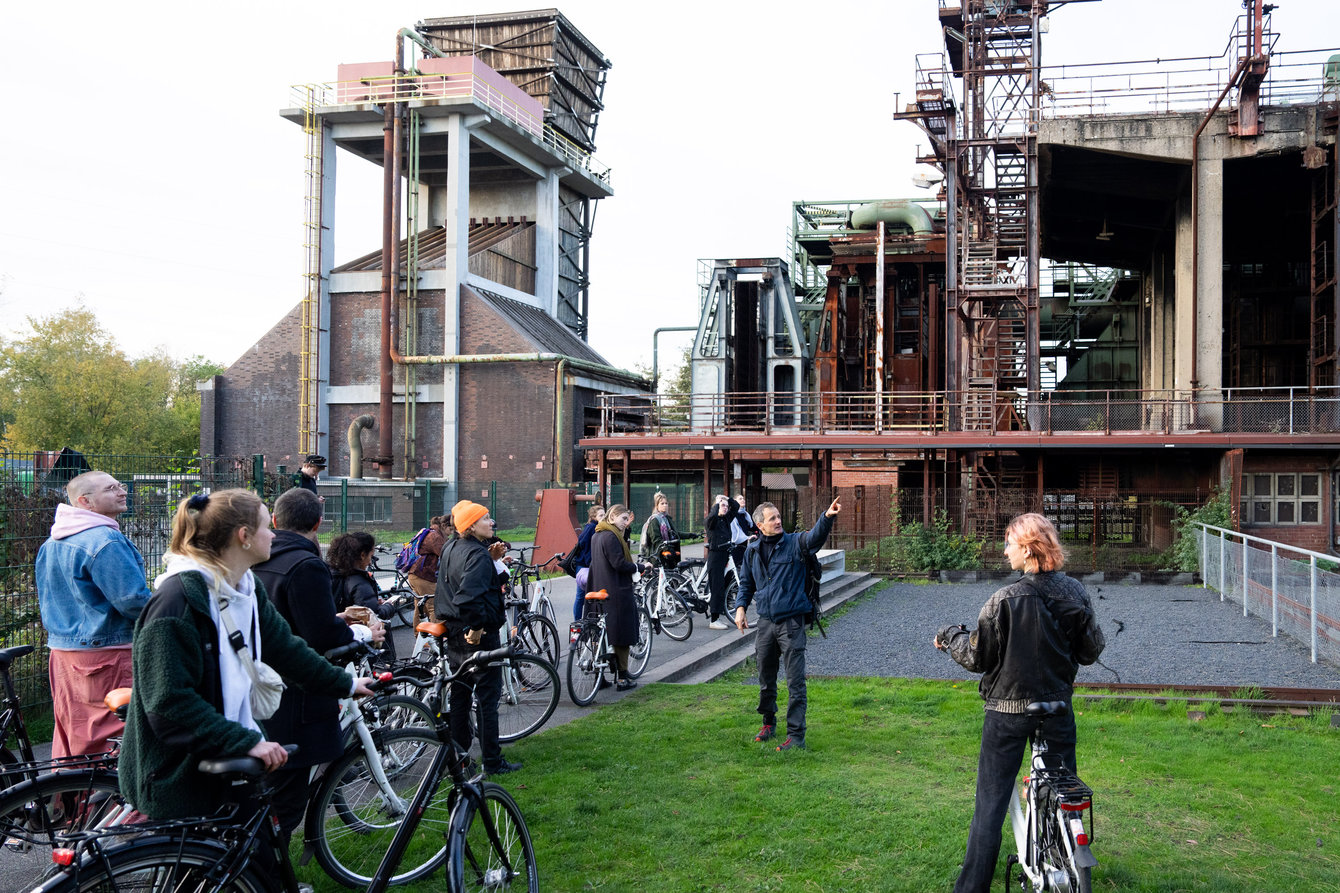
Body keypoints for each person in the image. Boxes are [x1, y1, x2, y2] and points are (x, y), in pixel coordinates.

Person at [118, 489, 376, 820]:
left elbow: (283, 647)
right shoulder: (176, 603)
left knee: (251, 854)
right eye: (267, 526)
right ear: (244, 536)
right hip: (183, 775)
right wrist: (244, 741)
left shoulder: (244, 586)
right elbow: (170, 703)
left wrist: (344, 683)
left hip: (222, 762)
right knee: (210, 864)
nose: (273, 533)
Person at [933, 512, 1106, 893]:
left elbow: (978, 657)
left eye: (1009, 543)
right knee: (1064, 792)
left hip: (1007, 713)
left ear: (1027, 550)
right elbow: (1092, 650)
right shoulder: (1075, 592)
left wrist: (949, 636)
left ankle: (972, 886)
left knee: (991, 802)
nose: (1005, 550)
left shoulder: (1004, 600)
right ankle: (1064, 863)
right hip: (1058, 707)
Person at [251, 489, 381, 845]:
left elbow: (282, 621)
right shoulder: (305, 565)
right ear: (318, 523)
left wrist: (332, 619)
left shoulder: (255, 562)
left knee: (263, 796)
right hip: (294, 697)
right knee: (285, 800)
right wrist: (361, 632)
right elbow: (318, 638)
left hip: (258, 692)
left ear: (276, 520)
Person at [35, 470, 153, 760]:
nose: (122, 491)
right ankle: (112, 805)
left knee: (74, 737)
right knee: (112, 743)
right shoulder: (105, 541)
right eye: (111, 489)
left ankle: (71, 803)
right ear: (85, 501)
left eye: (120, 486)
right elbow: (133, 602)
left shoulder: (52, 542)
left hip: (63, 656)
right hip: (107, 656)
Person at [734, 496, 842, 752]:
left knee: (795, 682)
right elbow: (746, 583)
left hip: (791, 623)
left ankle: (796, 736)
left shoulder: (794, 543)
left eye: (779, 517)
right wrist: (740, 608)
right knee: (765, 678)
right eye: (772, 518)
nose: (778, 521)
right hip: (766, 624)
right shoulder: (752, 551)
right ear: (760, 525)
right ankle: (768, 723)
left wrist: (827, 518)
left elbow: (814, 538)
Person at [436, 501, 522, 775]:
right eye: (485, 518)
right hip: (478, 634)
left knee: (461, 695)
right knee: (487, 697)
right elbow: (469, 596)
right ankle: (493, 762)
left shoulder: (452, 547)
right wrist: (476, 627)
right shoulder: (476, 554)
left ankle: (460, 759)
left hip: (453, 630)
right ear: (471, 525)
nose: (491, 522)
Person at [586, 504, 640, 691]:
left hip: (598, 589)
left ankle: (599, 677)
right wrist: (637, 567)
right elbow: (618, 563)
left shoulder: (597, 534)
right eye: (623, 519)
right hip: (616, 591)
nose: (625, 523)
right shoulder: (611, 537)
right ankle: (622, 678)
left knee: (601, 634)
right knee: (621, 635)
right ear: (612, 517)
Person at [327, 530, 397, 659]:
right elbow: (372, 616)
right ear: (362, 555)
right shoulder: (359, 582)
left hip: (340, 636)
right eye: (371, 555)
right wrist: (389, 606)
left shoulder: (332, 573)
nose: (370, 562)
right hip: (363, 644)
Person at [407, 516, 450, 624]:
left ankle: (420, 638)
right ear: (444, 526)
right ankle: (438, 638)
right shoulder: (435, 537)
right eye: (451, 529)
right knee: (434, 607)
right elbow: (446, 555)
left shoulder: (432, 533)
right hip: (424, 576)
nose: (452, 532)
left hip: (415, 574)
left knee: (420, 607)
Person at [703, 494, 736, 630]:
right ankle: (714, 619)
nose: (725, 508)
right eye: (722, 506)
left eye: (726, 507)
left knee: (723, 585)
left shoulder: (726, 519)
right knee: (716, 587)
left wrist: (728, 499)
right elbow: (710, 520)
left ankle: (720, 614)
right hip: (716, 556)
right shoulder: (712, 519)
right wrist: (717, 503)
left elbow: (736, 507)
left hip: (725, 555)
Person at [571, 504, 605, 622]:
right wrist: (589, 559)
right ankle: (578, 621)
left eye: (604, 514)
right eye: (600, 515)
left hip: (590, 564)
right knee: (581, 595)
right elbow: (582, 543)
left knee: (588, 595)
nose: (603, 517)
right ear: (594, 516)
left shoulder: (600, 527)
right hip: (584, 565)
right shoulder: (591, 527)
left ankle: (586, 620)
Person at [639, 491, 679, 561]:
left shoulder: (667, 518)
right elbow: (656, 540)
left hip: (667, 555)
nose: (665, 505)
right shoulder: (654, 520)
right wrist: (668, 549)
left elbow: (674, 533)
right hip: (656, 556)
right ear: (657, 506)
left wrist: (692, 535)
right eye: (662, 503)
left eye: (666, 503)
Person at [729, 493, 758, 570]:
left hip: (744, 545)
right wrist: (747, 538)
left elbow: (751, 526)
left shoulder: (745, 514)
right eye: (740, 499)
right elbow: (735, 534)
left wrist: (762, 529)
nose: (743, 500)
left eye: (743, 498)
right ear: (735, 502)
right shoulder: (733, 515)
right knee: (736, 570)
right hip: (735, 546)